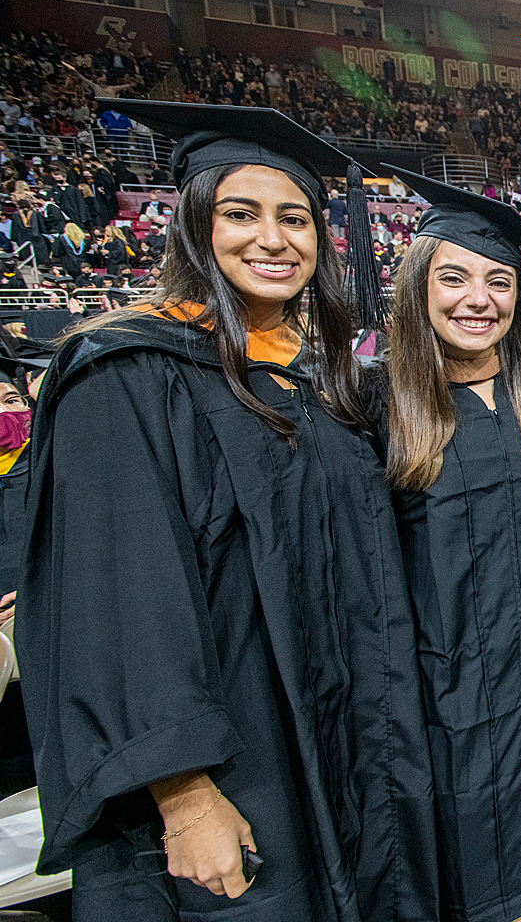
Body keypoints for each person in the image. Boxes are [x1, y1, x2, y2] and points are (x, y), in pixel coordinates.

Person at [15, 99, 439, 921]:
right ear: (193, 227)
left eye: (296, 219)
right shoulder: (127, 375)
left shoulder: (324, 383)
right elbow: (119, 600)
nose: (273, 241)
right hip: (235, 759)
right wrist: (184, 794)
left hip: (344, 735)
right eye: (240, 215)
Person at [373, 170, 521, 922]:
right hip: (452, 694)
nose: (478, 299)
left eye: (499, 281)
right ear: (416, 288)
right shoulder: (382, 410)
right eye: (453, 277)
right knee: (482, 865)